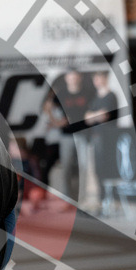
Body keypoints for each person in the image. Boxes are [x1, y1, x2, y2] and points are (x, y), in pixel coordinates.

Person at [46, 69, 92, 204]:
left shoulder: (87, 92)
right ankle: (67, 199)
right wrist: (56, 122)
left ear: (80, 77)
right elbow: (48, 106)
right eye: (70, 77)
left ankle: (82, 199)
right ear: (67, 79)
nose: (72, 79)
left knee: (83, 167)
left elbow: (93, 109)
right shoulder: (62, 94)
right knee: (65, 167)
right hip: (66, 135)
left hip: (83, 134)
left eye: (75, 77)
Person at [85, 70, 120, 210]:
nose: (97, 81)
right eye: (96, 79)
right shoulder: (95, 98)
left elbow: (104, 116)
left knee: (110, 166)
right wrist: (95, 115)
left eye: (100, 78)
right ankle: (102, 197)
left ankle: (114, 198)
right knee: (98, 168)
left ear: (105, 79)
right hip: (96, 136)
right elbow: (87, 118)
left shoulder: (111, 96)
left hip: (108, 137)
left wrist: (94, 116)